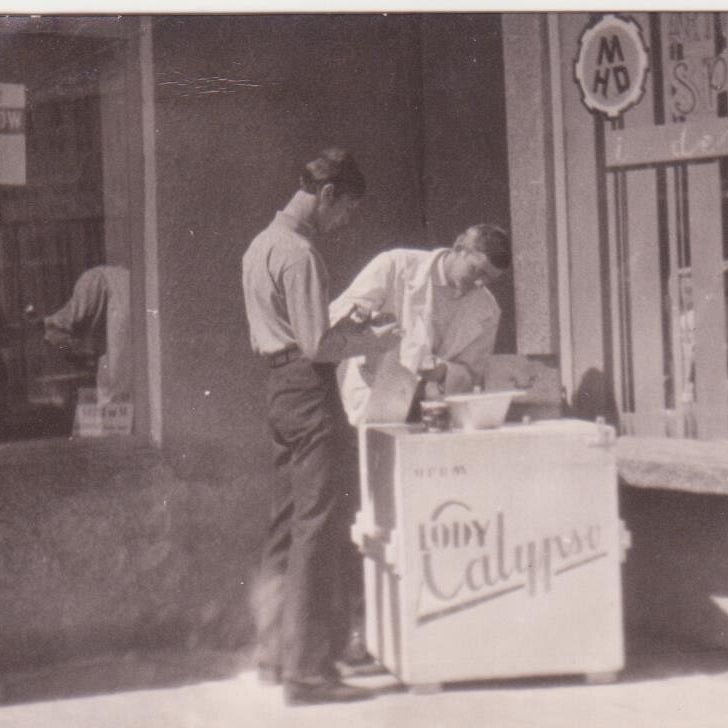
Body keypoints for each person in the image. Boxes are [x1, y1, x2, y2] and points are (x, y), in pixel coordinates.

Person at [242, 148, 378, 706]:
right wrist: (376, 340)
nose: (344, 222)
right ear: (327, 196)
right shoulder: (301, 254)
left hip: (279, 388)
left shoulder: (260, 245)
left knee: (286, 522)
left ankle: (274, 655)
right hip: (308, 389)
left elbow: (294, 329)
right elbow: (319, 346)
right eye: (345, 210)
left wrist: (339, 325)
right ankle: (308, 672)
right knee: (317, 528)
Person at [330, 223, 512, 426]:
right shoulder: (394, 265)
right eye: (476, 270)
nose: (480, 283)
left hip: (434, 411)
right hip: (372, 394)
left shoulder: (487, 309)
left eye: (488, 279)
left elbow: (474, 374)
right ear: (459, 247)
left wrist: (444, 372)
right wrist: (372, 328)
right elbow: (341, 315)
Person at [43, 265, 131, 407]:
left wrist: (68, 351)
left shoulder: (95, 279)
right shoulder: (122, 280)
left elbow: (62, 325)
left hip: (118, 394)